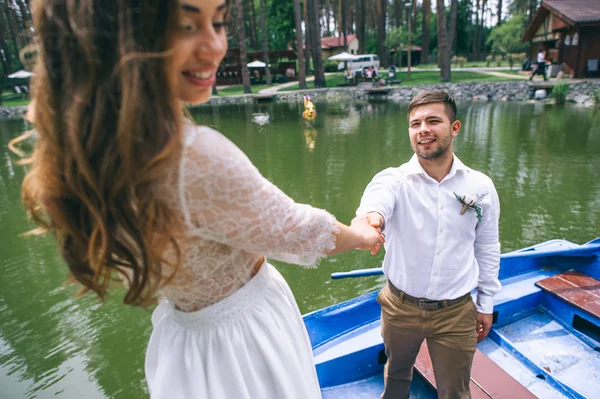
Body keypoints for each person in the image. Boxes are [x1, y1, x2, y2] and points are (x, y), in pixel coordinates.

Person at [12, 1, 384, 398]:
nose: (215, 46)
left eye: (219, 22)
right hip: (245, 345)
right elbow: (300, 232)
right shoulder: (193, 156)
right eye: (186, 26)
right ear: (119, 38)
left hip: (186, 344)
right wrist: (362, 234)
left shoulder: (89, 153)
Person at [353, 91, 501, 399]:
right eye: (415, 123)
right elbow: (375, 204)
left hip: (456, 311)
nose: (423, 129)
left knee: (455, 392)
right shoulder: (393, 180)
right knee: (395, 377)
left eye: (433, 121)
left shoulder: (480, 186)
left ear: (455, 127)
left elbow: (487, 247)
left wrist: (486, 303)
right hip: (399, 306)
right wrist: (370, 222)